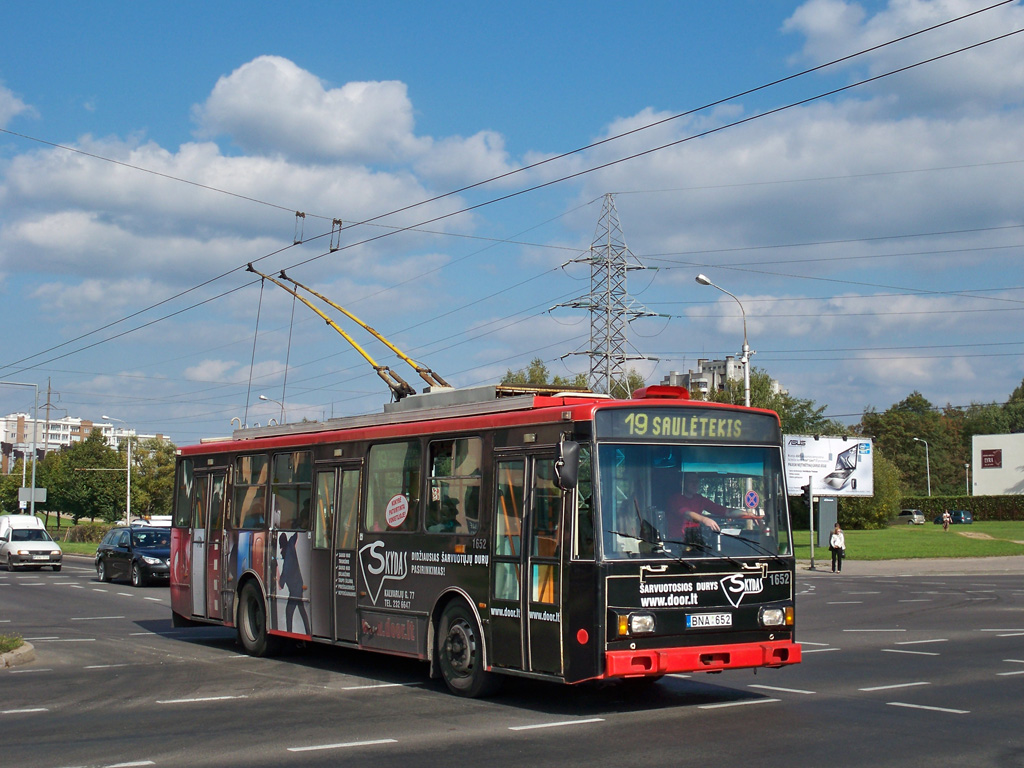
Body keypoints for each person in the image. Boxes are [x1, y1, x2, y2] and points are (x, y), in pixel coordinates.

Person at [665, 473, 737, 537]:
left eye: (697, 481)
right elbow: (687, 514)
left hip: (696, 540)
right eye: (691, 481)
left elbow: (725, 511)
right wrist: (705, 520)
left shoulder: (699, 499)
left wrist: (747, 513)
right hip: (677, 542)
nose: (695, 484)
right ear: (682, 483)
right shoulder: (675, 499)